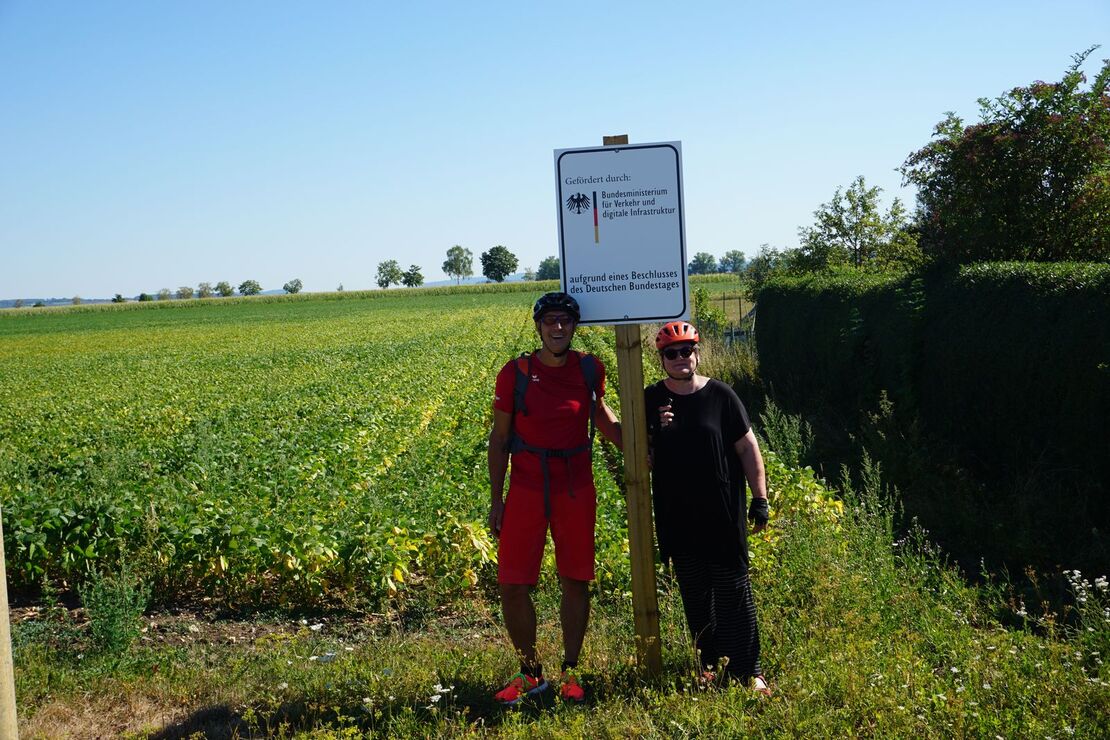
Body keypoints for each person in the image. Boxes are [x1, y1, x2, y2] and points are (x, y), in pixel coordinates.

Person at [487, 292, 622, 705]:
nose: (558, 328)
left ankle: (571, 672)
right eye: (550, 321)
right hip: (527, 487)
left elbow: (600, 414)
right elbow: (500, 438)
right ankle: (530, 674)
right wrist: (497, 500)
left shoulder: (588, 368)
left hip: (575, 486)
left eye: (565, 321)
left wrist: (635, 448)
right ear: (539, 327)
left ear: (575, 326)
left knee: (575, 579)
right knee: (512, 583)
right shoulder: (516, 373)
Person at [644, 320, 772, 695]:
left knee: (734, 593)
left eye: (687, 350)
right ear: (662, 359)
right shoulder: (652, 399)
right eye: (672, 353)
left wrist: (760, 498)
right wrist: (652, 433)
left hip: (721, 516)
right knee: (696, 597)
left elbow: (748, 448)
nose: (680, 358)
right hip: (679, 517)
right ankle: (710, 667)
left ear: (697, 353)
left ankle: (750, 672)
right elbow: (638, 449)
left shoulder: (721, 395)